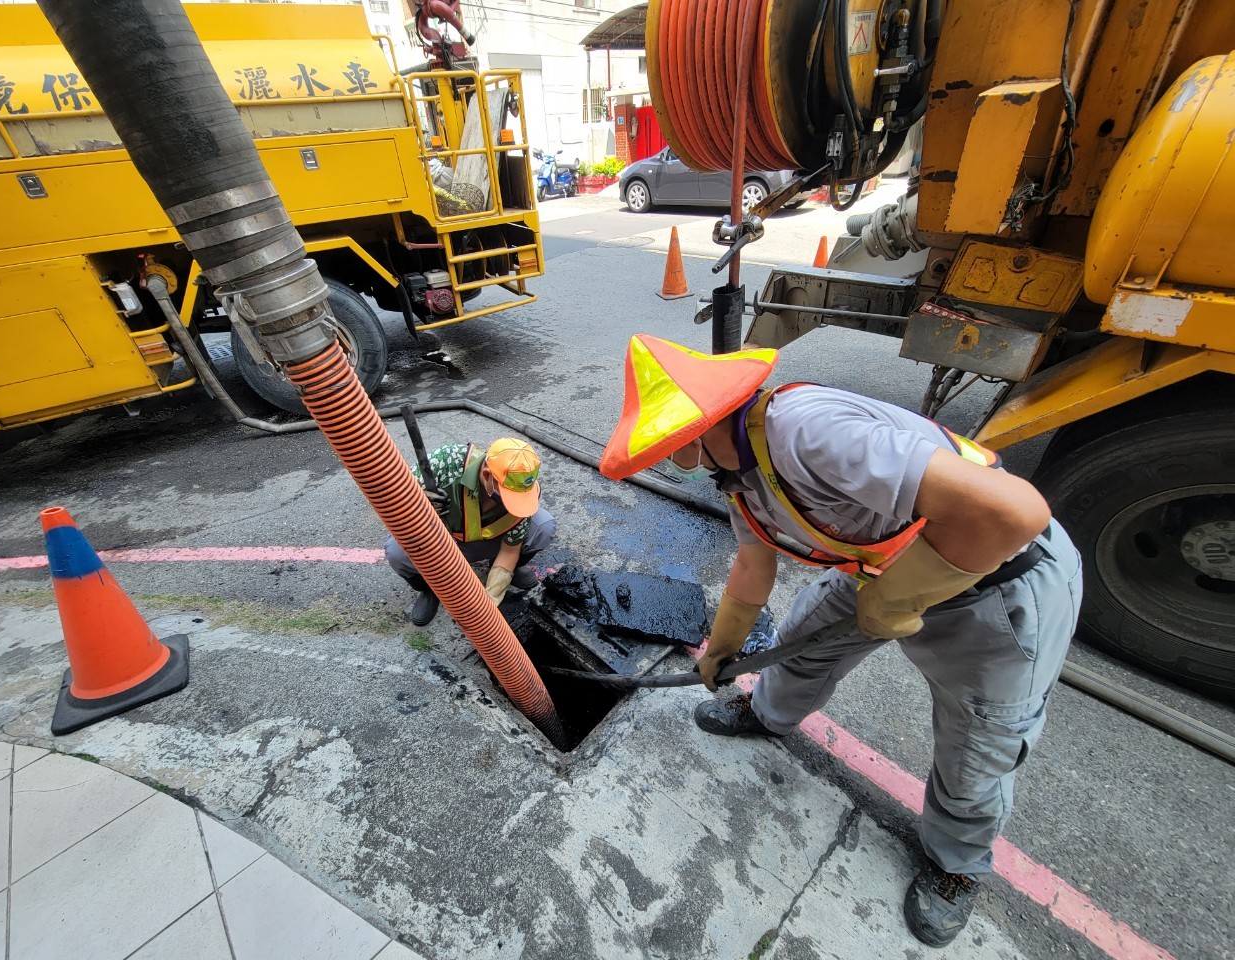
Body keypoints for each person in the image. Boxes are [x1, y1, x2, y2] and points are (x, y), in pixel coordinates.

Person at [599, 335, 1081, 947]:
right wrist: (721, 650)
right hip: (879, 567)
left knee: (978, 740)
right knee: (804, 641)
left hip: (995, 579)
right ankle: (768, 712)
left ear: (693, 434)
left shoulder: (807, 432)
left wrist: (902, 595)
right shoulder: (739, 472)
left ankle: (956, 865)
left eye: (668, 449)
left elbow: (1013, 512)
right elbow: (752, 566)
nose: (671, 461)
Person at [385, 437, 555, 626]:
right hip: (442, 542)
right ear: (487, 475)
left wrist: (489, 603)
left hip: (490, 541)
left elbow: (510, 550)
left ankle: (504, 572)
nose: (513, 505)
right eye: (508, 497)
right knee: (397, 553)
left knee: (543, 527)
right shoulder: (443, 464)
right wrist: (419, 510)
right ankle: (431, 588)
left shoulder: (524, 491)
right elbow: (393, 504)